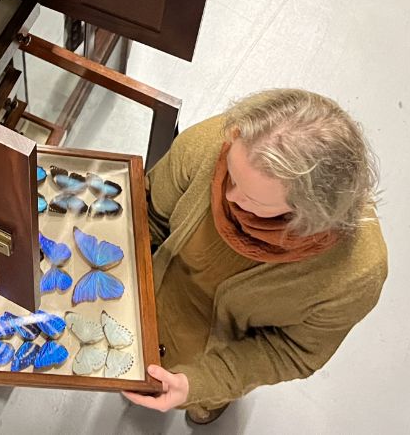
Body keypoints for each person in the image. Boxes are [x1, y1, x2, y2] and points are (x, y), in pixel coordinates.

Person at [123, 89, 388, 425]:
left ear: (307, 213)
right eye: (229, 172)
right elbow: (151, 215)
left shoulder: (355, 274)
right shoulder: (213, 143)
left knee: (202, 400)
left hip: (226, 353)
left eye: (251, 198)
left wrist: (200, 385)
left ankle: (209, 403)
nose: (226, 193)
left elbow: (290, 351)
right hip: (156, 297)